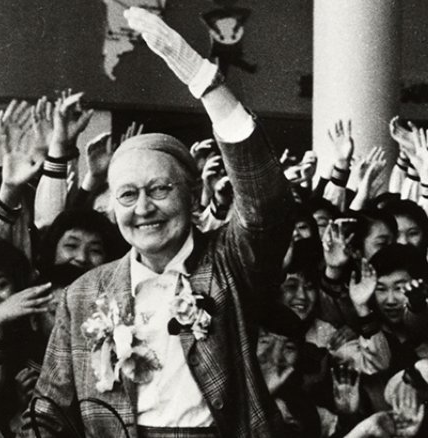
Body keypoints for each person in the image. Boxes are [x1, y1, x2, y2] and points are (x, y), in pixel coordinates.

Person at [23, 7, 295, 438]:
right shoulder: (84, 293)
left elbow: (266, 207)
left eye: (160, 189)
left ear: (192, 194)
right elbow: (50, 410)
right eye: (128, 195)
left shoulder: (228, 263)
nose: (144, 208)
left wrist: (203, 80)